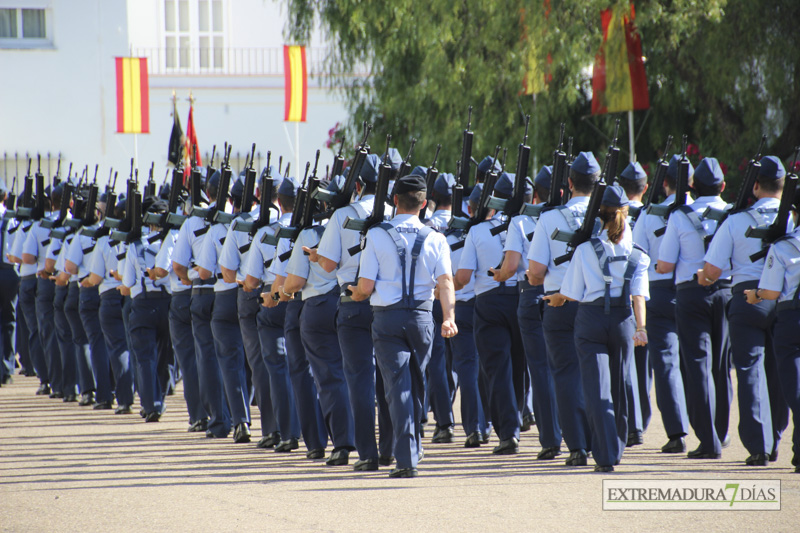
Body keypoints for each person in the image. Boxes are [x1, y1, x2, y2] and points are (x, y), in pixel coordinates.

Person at [348, 172, 457, 478]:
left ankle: (407, 458)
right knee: (416, 385)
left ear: (394, 201)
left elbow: (366, 287)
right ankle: (414, 447)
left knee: (398, 387)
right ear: (424, 205)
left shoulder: (377, 235)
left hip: (387, 319)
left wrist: (353, 292)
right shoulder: (437, 238)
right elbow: (446, 282)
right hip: (423, 318)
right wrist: (449, 317)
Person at [547, 184, 649, 472]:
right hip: (623, 321)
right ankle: (616, 449)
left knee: (597, 390)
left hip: (590, 320)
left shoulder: (585, 250)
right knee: (619, 386)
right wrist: (641, 328)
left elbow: (572, 293)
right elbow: (638, 295)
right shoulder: (639, 255)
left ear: (598, 214)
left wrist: (556, 298)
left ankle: (604, 456)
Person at [701, 155, 790, 465]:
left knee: (750, 372)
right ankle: (778, 436)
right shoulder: (793, 219)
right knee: (781, 369)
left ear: (754, 186)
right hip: (785, 297)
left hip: (746, 298)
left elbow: (712, 270)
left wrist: (704, 276)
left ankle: (758, 446)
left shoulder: (736, 220)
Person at [312, 156, 394, 470]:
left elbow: (330, 264)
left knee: (359, 380)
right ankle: (389, 448)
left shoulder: (343, 215)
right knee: (389, 378)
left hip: (351, 304)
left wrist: (319, 257)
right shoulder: (393, 212)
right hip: (385, 303)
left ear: (356, 185)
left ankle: (368, 454)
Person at [657, 156, 732, 459]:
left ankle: (708, 439)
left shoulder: (678, 216)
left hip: (690, 294)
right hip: (727, 291)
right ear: (724, 186)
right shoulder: (732, 213)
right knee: (722, 366)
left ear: (691, 186)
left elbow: (664, 264)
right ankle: (722, 432)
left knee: (698, 366)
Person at [527, 151, 598, 467]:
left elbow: (536, 272)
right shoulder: (610, 215)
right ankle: (601, 439)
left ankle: (577, 447)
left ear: (568, 183)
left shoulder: (549, 218)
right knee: (595, 372)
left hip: (558, 303)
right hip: (596, 303)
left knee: (565, 374)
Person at [490, 166, 562, 459]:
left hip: (531, 292)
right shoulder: (562, 216)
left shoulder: (519, 222)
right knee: (566, 366)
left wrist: (497, 275)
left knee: (540, 369)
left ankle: (550, 439)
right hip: (565, 291)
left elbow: (510, 267)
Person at [283, 179, 356, 466]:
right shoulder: (349, 227)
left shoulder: (308, 233)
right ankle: (355, 437)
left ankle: (336, 443)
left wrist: (284, 292)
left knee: (327, 378)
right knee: (352, 375)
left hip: (316, 306)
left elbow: (296, 281)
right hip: (348, 300)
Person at [456, 173, 526, 455]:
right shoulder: (525, 225)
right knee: (519, 367)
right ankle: (517, 421)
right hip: (520, 298)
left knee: (498, 368)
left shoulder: (477, 231)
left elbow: (463, 275)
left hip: (488, 301)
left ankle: (508, 432)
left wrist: (449, 285)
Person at [631, 156, 692, 453]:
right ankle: (714, 430)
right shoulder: (710, 212)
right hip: (697, 289)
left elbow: (637, 258)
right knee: (702, 364)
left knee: (666, 364)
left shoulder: (647, 215)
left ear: (663, 184)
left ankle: (677, 432)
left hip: (658, 292)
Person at [222, 174, 283, 450]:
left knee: (260, 364)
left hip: (251, 293)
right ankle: (293, 427)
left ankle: (271, 429)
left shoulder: (239, 223)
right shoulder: (291, 218)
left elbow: (226, 272)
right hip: (290, 291)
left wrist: (245, 278)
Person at [745, 186, 800, 473]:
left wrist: (755, 295)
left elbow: (770, 290)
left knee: (793, 389)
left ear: (794, 213)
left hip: (791, 319)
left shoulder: (783, 246)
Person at [173, 172, 232, 438]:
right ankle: (241, 417)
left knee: (206, 358)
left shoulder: (194, 220)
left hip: (202, 293)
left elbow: (177, 266)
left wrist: (189, 278)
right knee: (235, 356)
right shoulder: (242, 218)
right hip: (233, 291)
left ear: (208, 194)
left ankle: (219, 420)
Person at [196, 174, 253, 444]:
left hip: (225, 298)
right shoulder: (264, 224)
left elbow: (206, 272)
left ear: (231, 201)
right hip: (254, 295)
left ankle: (241, 421)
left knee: (231, 364)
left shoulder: (219, 229)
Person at [121, 199, 172, 422]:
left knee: (145, 358)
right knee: (165, 357)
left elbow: (127, 284)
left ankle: (151, 405)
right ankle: (159, 399)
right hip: (168, 304)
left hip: (142, 304)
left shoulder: (136, 244)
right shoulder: (173, 241)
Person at [84, 198, 135, 414]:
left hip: (110, 296)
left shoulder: (104, 241)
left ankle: (121, 398)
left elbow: (95, 277)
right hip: (131, 295)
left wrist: (84, 281)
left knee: (117, 349)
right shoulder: (133, 238)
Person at [0, 181, 20, 387]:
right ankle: (6, 368)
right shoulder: (13, 219)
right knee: (9, 320)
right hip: (9, 271)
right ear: (5, 196)